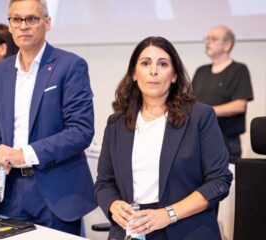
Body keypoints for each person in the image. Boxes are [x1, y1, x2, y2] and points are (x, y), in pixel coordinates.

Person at [94, 36, 233, 240]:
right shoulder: (116, 123)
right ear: (134, 73)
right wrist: (114, 205)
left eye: (163, 64)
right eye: (145, 63)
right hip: (132, 231)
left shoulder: (199, 117)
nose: (153, 71)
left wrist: (168, 214)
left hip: (186, 229)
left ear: (174, 75)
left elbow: (220, 181)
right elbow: (104, 183)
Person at [0, 0, 96, 235]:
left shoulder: (70, 66)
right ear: (10, 25)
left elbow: (81, 131)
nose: (23, 26)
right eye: (16, 19)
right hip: (11, 191)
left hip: (56, 193)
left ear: (47, 23)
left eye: (31, 19)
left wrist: (22, 154)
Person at [192, 25, 253, 163]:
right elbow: (190, 102)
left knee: (225, 182)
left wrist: (206, 112)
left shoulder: (239, 70)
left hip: (226, 141)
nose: (208, 42)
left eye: (213, 39)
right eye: (207, 38)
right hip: (198, 139)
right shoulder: (201, 71)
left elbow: (239, 106)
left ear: (227, 44)